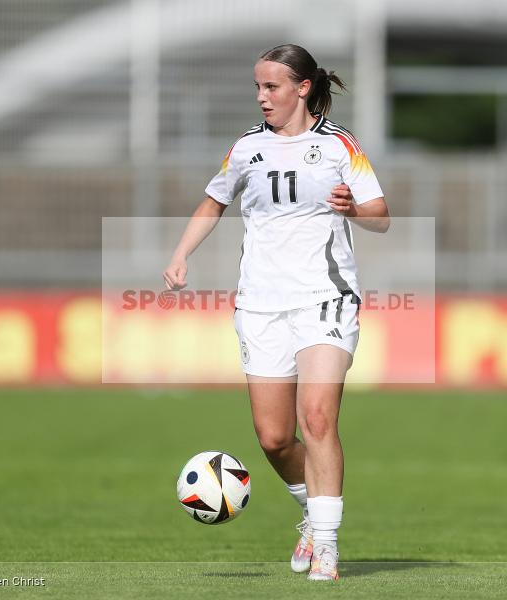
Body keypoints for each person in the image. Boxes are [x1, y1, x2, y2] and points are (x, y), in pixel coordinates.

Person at [163, 43, 389, 581]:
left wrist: (352, 208)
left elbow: (381, 216)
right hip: (260, 305)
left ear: (303, 88)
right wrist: (180, 252)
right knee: (273, 438)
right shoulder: (245, 149)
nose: (262, 97)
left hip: (325, 300)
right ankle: (313, 516)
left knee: (317, 420)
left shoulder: (338, 146)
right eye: (258, 88)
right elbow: (214, 200)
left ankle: (328, 546)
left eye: (272, 87)